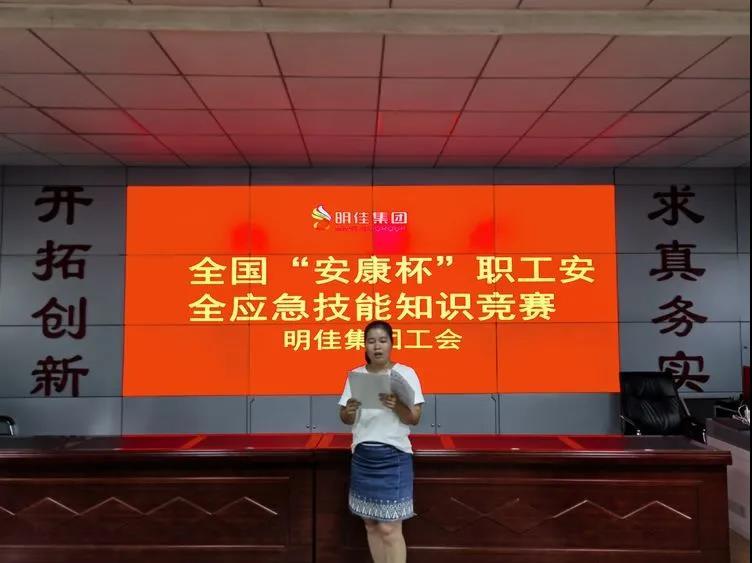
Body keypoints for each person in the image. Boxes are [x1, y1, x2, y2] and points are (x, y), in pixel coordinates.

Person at [338, 320, 425, 563]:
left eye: (382, 341)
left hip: (393, 456)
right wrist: (349, 410)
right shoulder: (357, 376)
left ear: (391, 344)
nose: (377, 346)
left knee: (389, 528)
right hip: (363, 457)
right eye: (371, 341)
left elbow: (415, 418)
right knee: (370, 524)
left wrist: (396, 405)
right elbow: (345, 417)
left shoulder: (405, 374)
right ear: (365, 346)